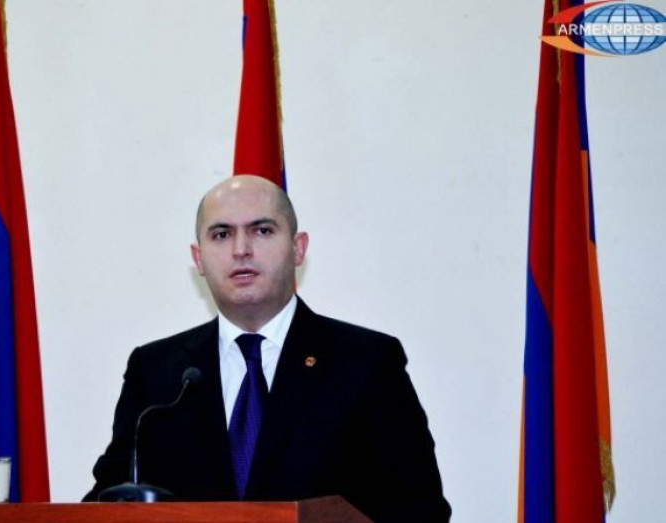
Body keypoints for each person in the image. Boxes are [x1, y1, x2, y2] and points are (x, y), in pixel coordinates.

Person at [84, 175, 451, 522]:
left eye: (262, 230)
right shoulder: (156, 372)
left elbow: (420, 509)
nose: (241, 250)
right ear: (198, 259)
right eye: (222, 234)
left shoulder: (365, 362)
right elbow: (107, 502)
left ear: (298, 248)